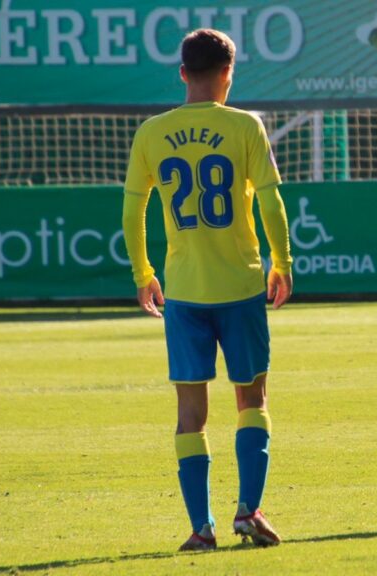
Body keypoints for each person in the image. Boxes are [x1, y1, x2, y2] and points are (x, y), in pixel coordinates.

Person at [122, 28, 293, 551]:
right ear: (228, 72)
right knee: (252, 397)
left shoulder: (151, 132)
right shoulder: (245, 126)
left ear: (182, 74)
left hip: (186, 294)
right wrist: (281, 261)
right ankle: (249, 510)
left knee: (190, 414)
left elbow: (133, 212)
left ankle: (201, 528)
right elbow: (270, 203)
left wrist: (143, 274)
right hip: (240, 286)